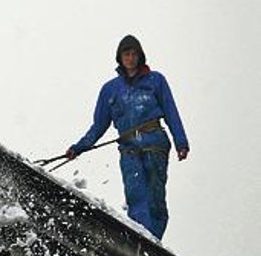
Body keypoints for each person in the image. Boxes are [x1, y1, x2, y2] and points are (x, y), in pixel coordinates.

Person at [65, 35, 189, 239]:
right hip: (129, 148)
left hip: (155, 144)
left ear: (140, 56)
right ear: (120, 57)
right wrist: (79, 147)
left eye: (134, 54)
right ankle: (141, 237)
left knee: (155, 197)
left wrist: (181, 142)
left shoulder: (156, 80)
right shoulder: (110, 89)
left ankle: (153, 240)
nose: (131, 58)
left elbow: (170, 111)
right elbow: (99, 125)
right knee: (136, 194)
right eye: (126, 54)